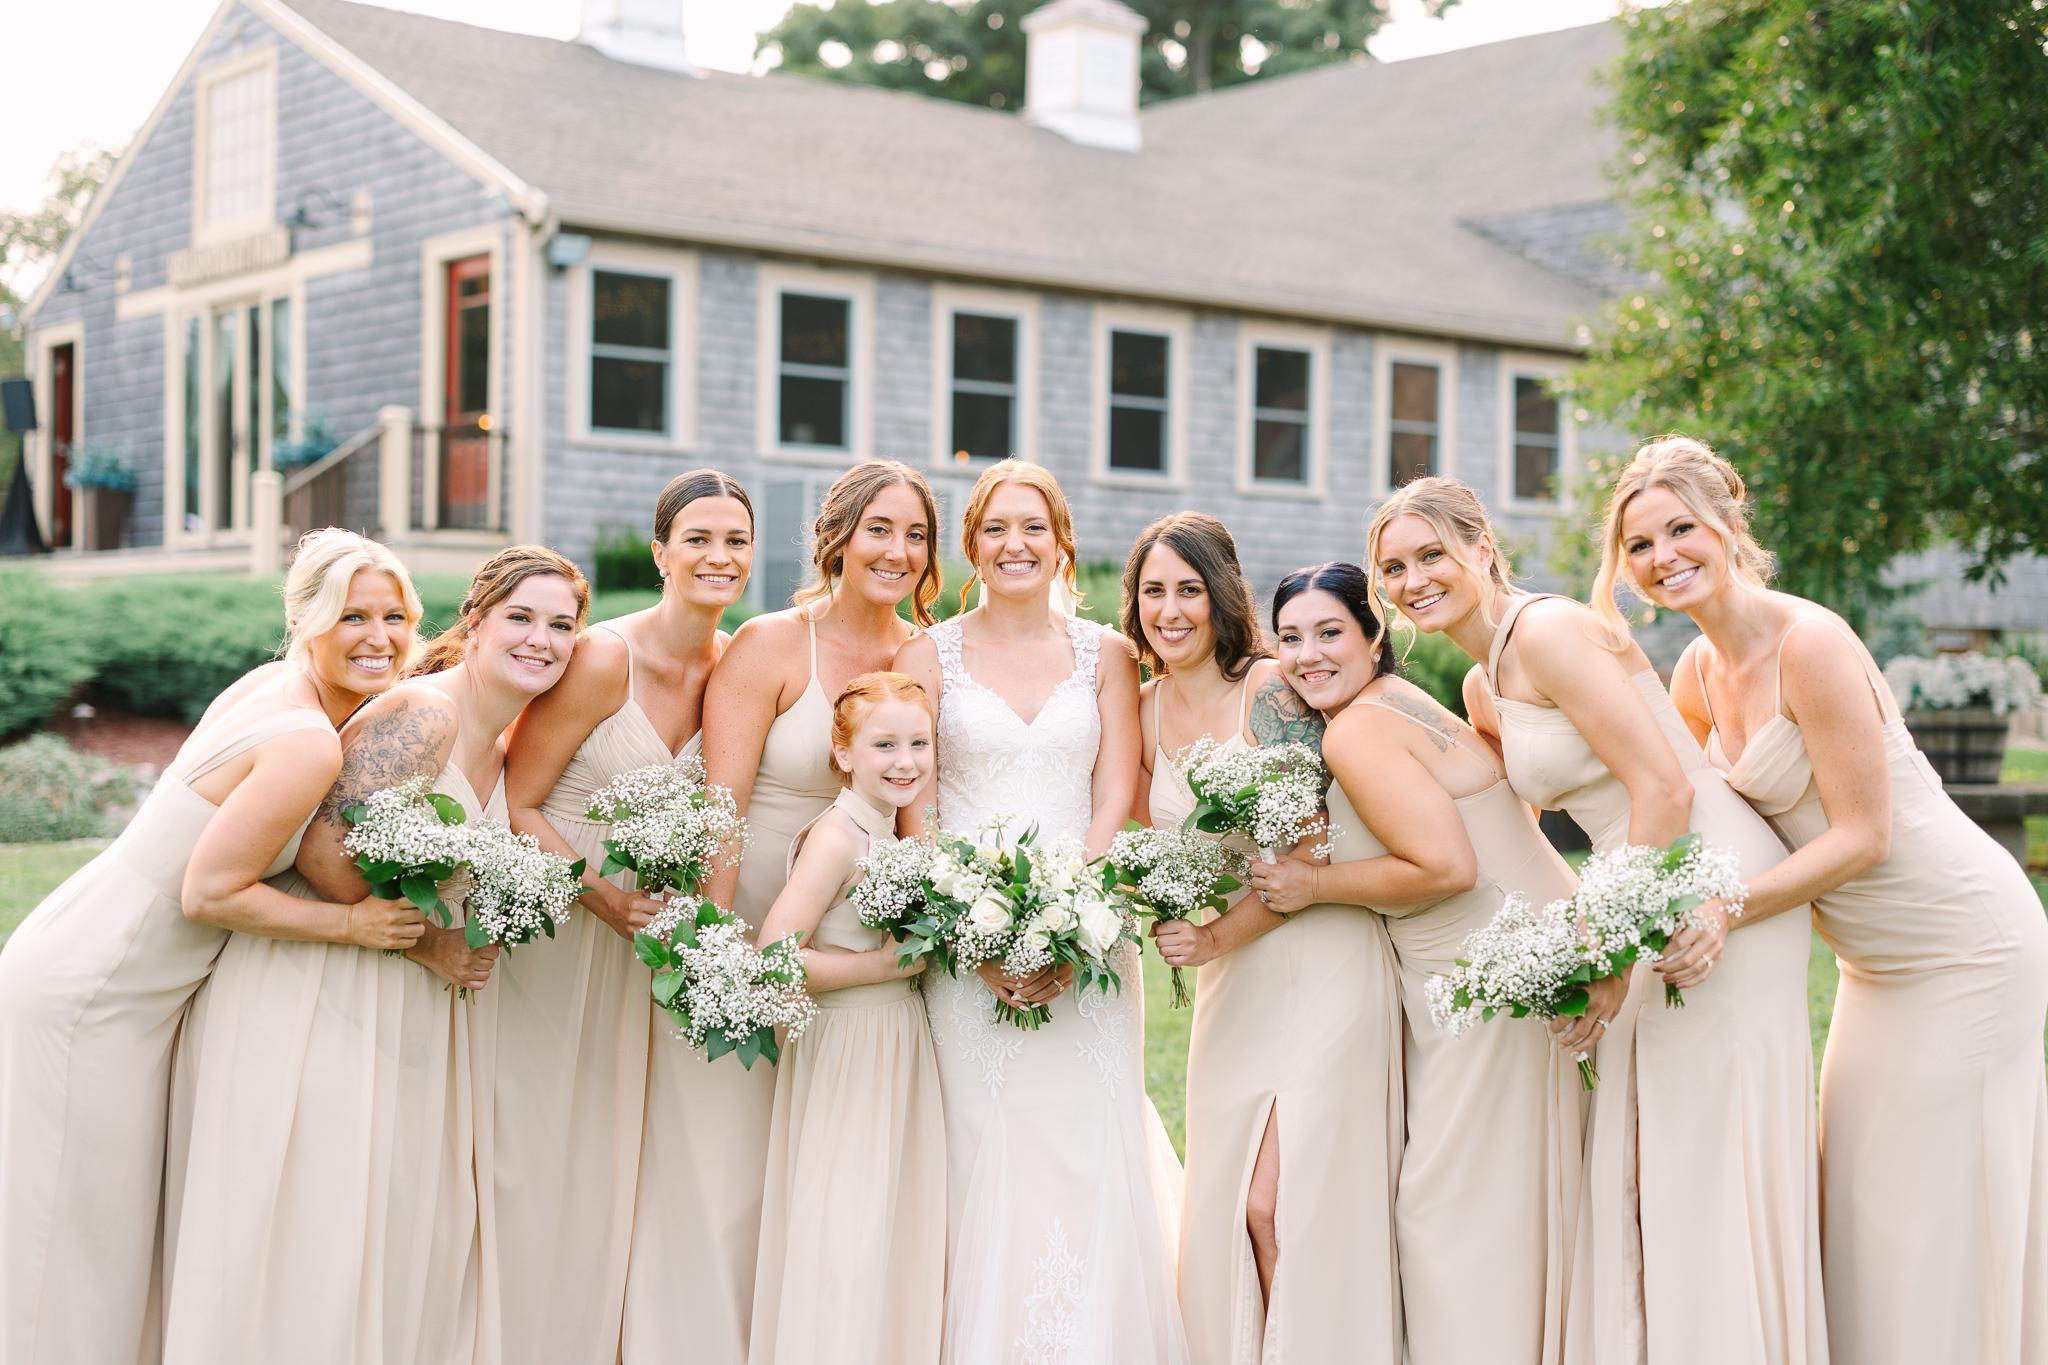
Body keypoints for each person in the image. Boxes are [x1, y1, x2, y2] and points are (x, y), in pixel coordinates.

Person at [1601, 435, 2048, 1365]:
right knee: (1857, 1193)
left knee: (1935, 1206)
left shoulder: (1810, 643)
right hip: (1870, 966)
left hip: (1963, 941)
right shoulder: (1694, 673)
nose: (1662, 556)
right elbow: (1696, 810)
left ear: (1729, 524)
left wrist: (1725, 910)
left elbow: (1863, 835)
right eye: (1639, 544)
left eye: (1681, 529)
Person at [1368, 476, 1827, 1365]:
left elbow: (1662, 788)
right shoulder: (1484, 682)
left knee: (1689, 1159)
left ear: (1482, 548)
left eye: (1432, 554)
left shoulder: (1547, 632)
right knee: (1643, 1158)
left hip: (1700, 874)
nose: (1414, 579)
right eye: (1394, 567)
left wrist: (1609, 956)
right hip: (1633, 889)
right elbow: (1511, 817)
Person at [0, 528, 422, 1365]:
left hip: (103, 953)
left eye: (395, 615)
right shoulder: (305, 739)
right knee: (64, 1236)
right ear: (304, 620)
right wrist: (354, 925)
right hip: (98, 988)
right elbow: (210, 891)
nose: (379, 637)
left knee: (102, 1233)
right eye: (352, 616)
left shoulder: (272, 683)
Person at [159, 545, 587, 1365]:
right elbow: (328, 862)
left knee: (373, 1244)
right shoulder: (425, 713)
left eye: (561, 626)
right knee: (315, 1240)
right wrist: (435, 946)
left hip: (393, 1003)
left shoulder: (503, 741)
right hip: (320, 990)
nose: (542, 640)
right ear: (475, 621)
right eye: (521, 618)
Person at [624, 459, 938, 1361]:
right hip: (755, 919)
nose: (898, 550)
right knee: (725, 1163)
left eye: (916, 534)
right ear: (836, 537)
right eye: (879, 528)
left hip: (851, 944)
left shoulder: (921, 654)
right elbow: (721, 810)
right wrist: (720, 961)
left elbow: (915, 812)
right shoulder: (770, 644)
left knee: (812, 1174)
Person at [1253, 560, 1583, 1364]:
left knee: (1450, 1210)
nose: (1307, 654)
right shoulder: (1400, 702)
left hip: (1483, 982)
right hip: (1521, 957)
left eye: (1329, 632)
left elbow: (1447, 867)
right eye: (1290, 638)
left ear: (1374, 637)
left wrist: (1311, 884)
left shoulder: (1357, 730)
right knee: (1508, 1196)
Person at [894, 458, 1186, 1363]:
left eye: (1033, 527)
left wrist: (1070, 919)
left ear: (1062, 542)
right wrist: (973, 932)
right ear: (971, 545)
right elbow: (918, 810)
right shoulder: (926, 655)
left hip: (1089, 937)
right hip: (962, 946)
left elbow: (1113, 795)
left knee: (1089, 1141)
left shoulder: (1106, 654)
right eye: (994, 528)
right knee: (986, 1146)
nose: (1013, 544)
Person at [1128, 522, 1405, 1364]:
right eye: (1153, 591)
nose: (1171, 609)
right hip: (1234, 986)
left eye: (1189, 589)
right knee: (1232, 1206)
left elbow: (1314, 845)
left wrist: (1214, 933)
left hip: (1320, 958)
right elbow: (1146, 839)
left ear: (1221, 595)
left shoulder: (1272, 688)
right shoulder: (1140, 709)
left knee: (1277, 1203)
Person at [497, 471, 753, 1363]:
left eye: (736, 541)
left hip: (649, 943)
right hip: (568, 919)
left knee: (621, 1158)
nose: (719, 556)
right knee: (545, 1140)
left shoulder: (734, 667)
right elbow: (519, 800)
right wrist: (604, 899)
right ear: (660, 553)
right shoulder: (606, 657)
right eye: (698, 539)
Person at [749, 672, 946, 1365]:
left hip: (896, 1040)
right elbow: (775, 957)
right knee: (847, 1231)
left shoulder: (889, 833)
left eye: (919, 743)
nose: (905, 761)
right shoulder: (837, 837)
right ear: (843, 753)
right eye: (884, 744)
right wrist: (885, 966)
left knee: (889, 1225)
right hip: (851, 1045)